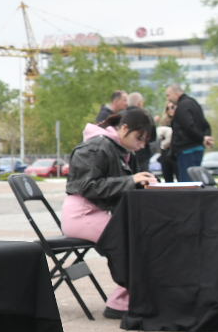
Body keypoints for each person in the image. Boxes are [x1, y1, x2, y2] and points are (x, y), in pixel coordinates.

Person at [61, 106, 157, 319]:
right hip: (82, 215)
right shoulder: (97, 147)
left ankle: (127, 297)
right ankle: (121, 301)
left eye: (144, 141)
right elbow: (86, 186)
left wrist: (138, 183)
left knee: (139, 236)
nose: (141, 145)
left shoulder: (115, 148)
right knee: (131, 241)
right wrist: (131, 180)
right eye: (139, 138)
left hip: (93, 213)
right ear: (124, 129)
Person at [165, 84, 212, 184]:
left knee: (186, 182)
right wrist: (205, 138)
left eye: (168, 95)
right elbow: (205, 124)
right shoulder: (194, 103)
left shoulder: (182, 106)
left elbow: (188, 126)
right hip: (198, 148)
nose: (168, 98)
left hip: (186, 149)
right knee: (196, 180)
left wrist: (202, 138)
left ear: (176, 93)